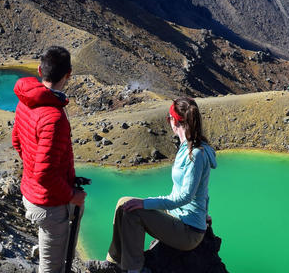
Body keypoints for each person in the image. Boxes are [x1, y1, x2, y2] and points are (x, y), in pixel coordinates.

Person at [87, 97, 217, 273]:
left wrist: (145, 203)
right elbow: (202, 190)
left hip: (189, 232)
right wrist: (204, 212)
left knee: (134, 212)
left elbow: (184, 196)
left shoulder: (196, 154)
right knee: (123, 203)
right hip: (180, 217)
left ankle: (135, 269)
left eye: (168, 118)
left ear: (174, 120)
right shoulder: (187, 146)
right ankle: (113, 262)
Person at [12, 46, 86, 273]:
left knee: (56, 257)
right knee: (51, 268)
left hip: (32, 193)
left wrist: (35, 168)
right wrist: (72, 195)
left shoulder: (26, 101)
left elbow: (17, 141)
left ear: (39, 69)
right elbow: (45, 174)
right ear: (68, 74)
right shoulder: (53, 117)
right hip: (49, 205)